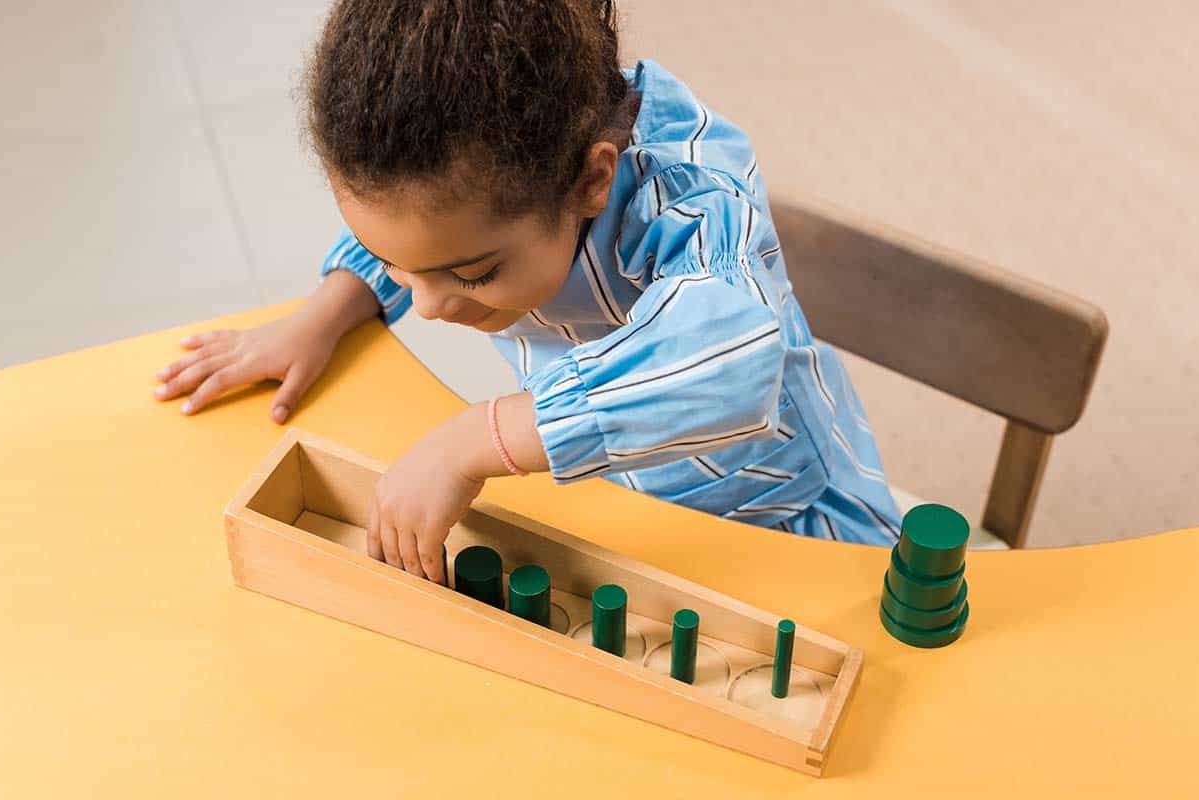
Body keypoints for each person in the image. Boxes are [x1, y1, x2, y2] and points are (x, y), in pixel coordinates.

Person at [155, 0, 901, 582]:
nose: (428, 306)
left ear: (592, 180)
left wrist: (470, 443)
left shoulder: (689, 202)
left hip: (779, 516)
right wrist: (328, 310)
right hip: (623, 507)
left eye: (474, 275)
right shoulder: (488, 189)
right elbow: (424, 236)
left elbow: (731, 362)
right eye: (402, 268)